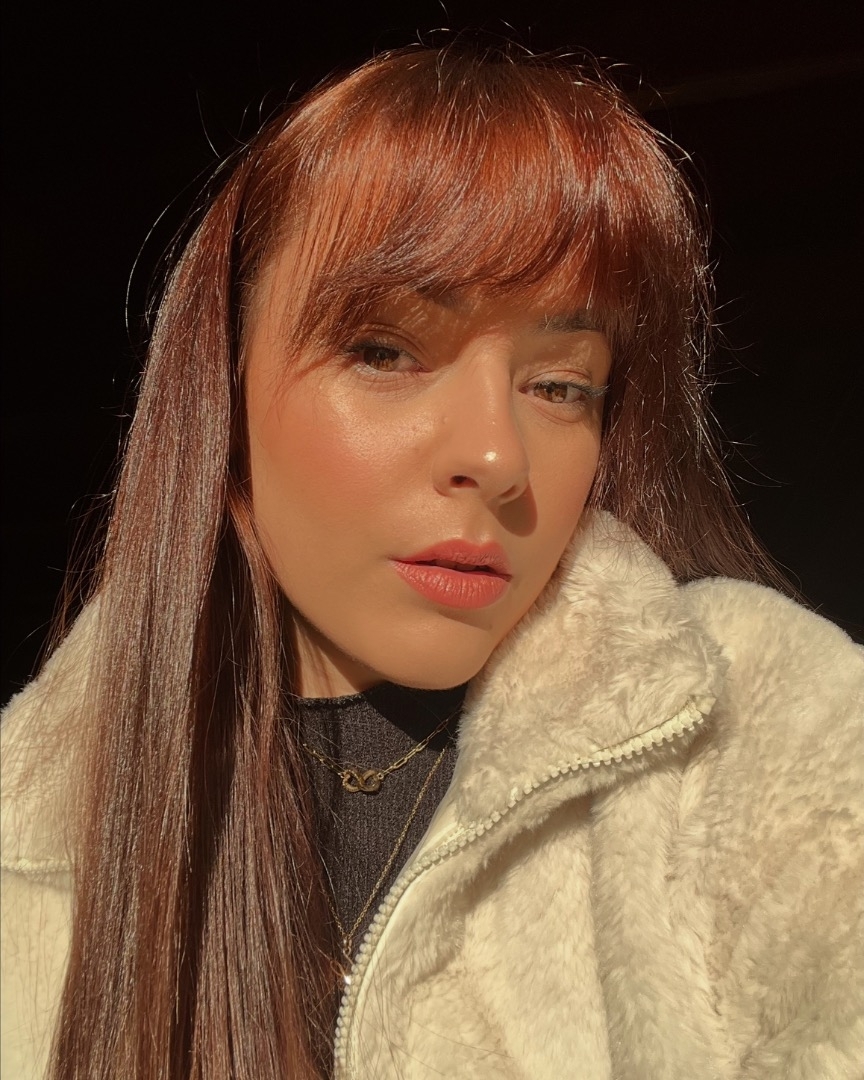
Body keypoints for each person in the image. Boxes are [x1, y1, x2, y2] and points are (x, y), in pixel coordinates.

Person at [1, 44, 861, 1080]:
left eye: (561, 385)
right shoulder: (25, 831)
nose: (498, 458)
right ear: (221, 399)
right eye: (387, 352)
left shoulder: (756, 725)